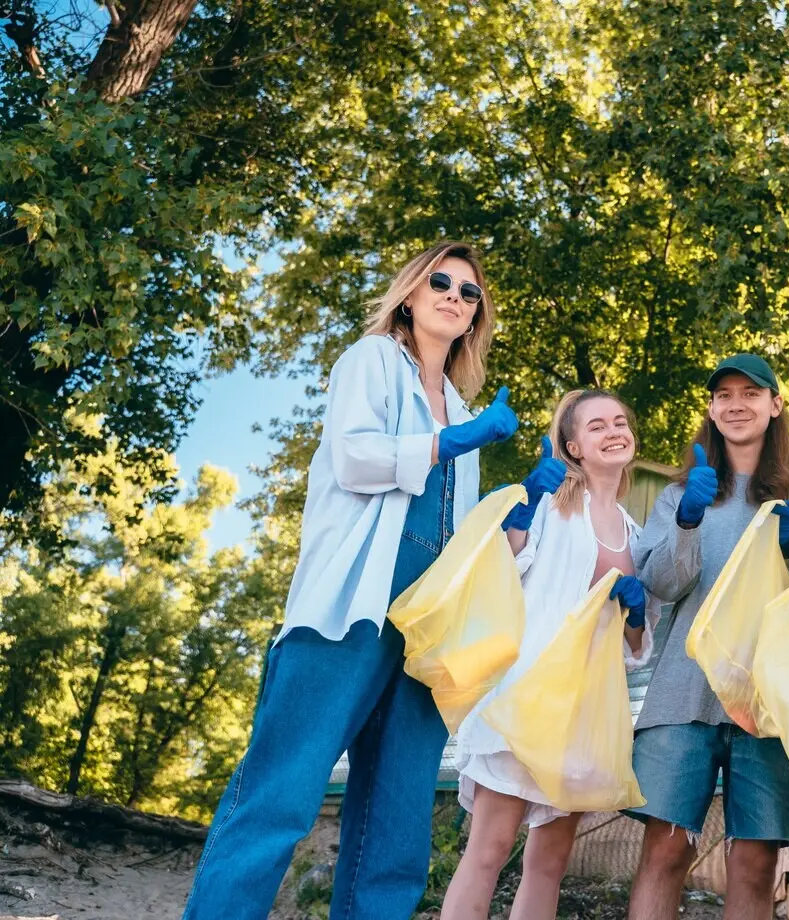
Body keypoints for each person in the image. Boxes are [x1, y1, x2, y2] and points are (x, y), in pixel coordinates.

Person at [182, 242, 522, 920]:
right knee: (281, 794)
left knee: (396, 826)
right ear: (409, 294)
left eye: (470, 292)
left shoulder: (460, 405)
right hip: (351, 611)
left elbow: (459, 545)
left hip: (427, 632)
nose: (455, 296)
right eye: (441, 283)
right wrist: (447, 445)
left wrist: (522, 513)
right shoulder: (369, 362)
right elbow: (355, 458)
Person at [441, 389, 655, 920]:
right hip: (526, 701)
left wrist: (636, 617)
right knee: (489, 851)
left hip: (585, 716)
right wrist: (521, 512)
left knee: (549, 864)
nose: (614, 431)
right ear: (573, 446)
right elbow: (502, 570)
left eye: (620, 422)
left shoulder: (638, 534)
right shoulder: (552, 505)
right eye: (598, 425)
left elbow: (637, 651)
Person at [626, 354, 789, 920]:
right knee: (664, 854)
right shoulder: (682, 493)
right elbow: (660, 585)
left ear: (775, 406)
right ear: (710, 409)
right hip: (682, 696)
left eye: (750, 393)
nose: (736, 404)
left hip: (768, 704)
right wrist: (687, 522)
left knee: (754, 865)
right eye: (723, 394)